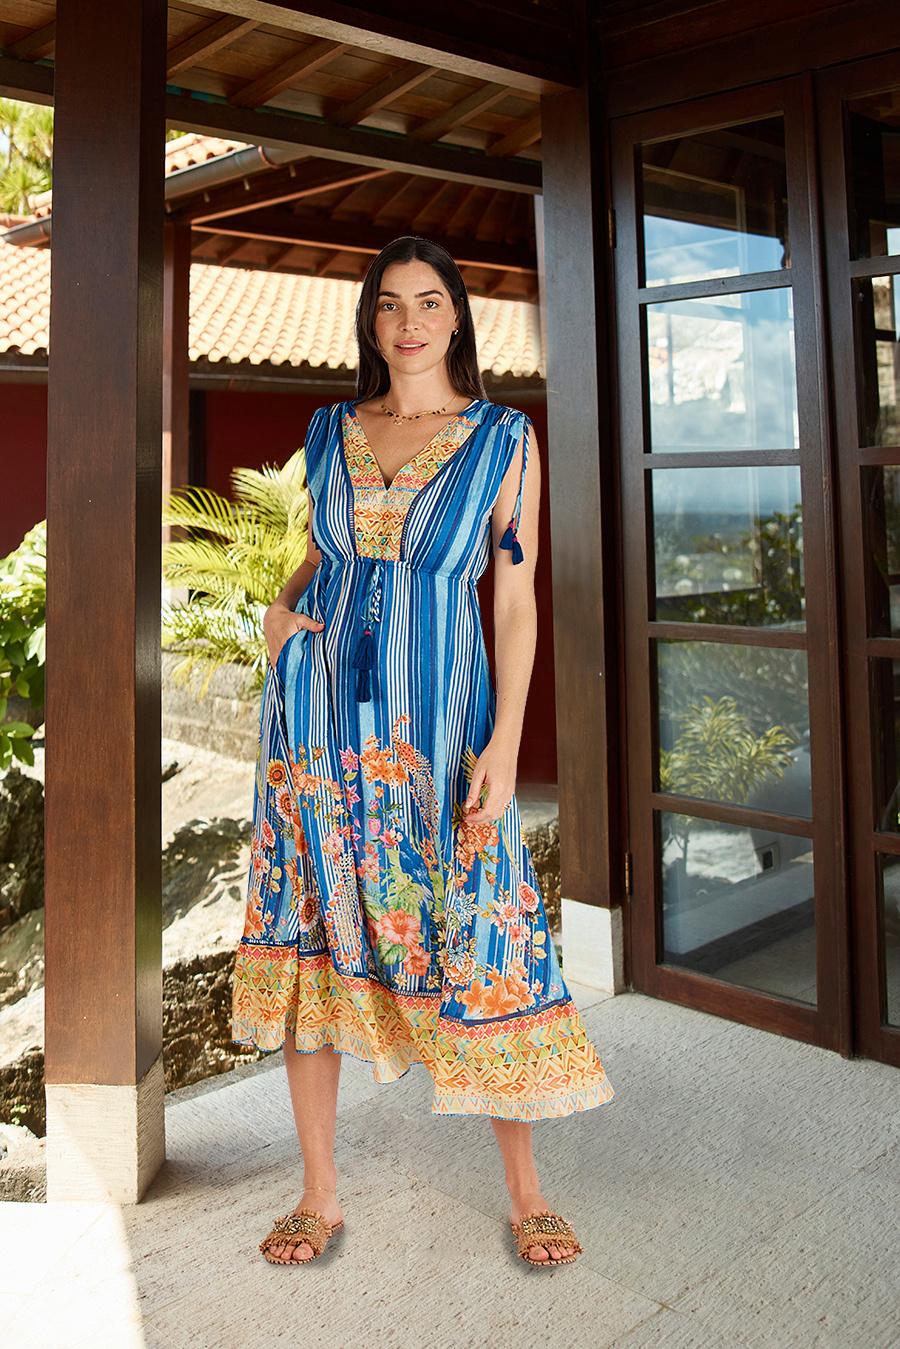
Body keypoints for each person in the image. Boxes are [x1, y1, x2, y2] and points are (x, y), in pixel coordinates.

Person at [231, 235, 615, 1268]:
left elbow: (517, 600)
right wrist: (276, 611)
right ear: (371, 319)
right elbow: (322, 552)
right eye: (392, 303)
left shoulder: (503, 439)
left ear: (456, 318)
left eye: (430, 301)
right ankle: (319, 1192)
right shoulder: (330, 428)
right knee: (314, 926)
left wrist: (506, 738)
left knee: (483, 929)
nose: (409, 322)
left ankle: (527, 1190)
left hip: (439, 726)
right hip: (314, 723)